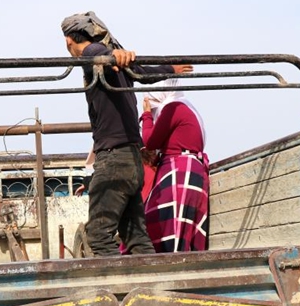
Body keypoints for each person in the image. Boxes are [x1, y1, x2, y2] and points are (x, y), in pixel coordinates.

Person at [61, 11, 193, 256]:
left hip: (113, 159)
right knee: (136, 238)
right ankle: (152, 285)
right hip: (132, 160)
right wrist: (170, 68)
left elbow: (97, 53)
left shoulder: (92, 53)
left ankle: (117, 289)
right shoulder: (116, 63)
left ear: (69, 39)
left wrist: (113, 55)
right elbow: (144, 73)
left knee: (99, 236)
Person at [140, 79, 210, 252]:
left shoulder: (173, 108)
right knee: (177, 228)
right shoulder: (186, 107)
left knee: (168, 228)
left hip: (179, 172)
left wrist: (147, 116)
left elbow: (150, 141)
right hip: (186, 170)